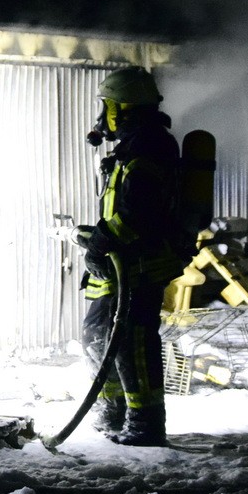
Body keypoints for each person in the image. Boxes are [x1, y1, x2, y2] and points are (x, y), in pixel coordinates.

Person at [78, 65, 184, 446]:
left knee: (133, 343)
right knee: (96, 334)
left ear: (122, 108)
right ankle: (113, 412)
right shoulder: (133, 145)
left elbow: (140, 211)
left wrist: (102, 239)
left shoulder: (149, 146)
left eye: (106, 105)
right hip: (120, 264)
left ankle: (145, 425)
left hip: (141, 263)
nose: (102, 113)